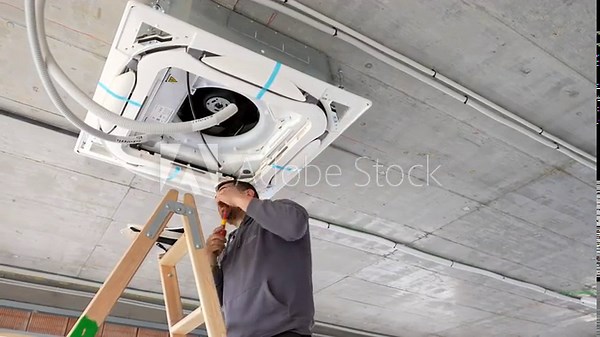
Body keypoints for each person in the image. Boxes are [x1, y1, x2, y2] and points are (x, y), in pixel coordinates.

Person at [206, 179, 314, 337]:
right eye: (217, 200)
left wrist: (237, 199)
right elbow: (217, 302)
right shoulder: (228, 246)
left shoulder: (279, 212)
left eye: (225, 194)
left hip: (282, 331)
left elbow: (294, 226)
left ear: (248, 194)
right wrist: (211, 262)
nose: (220, 202)